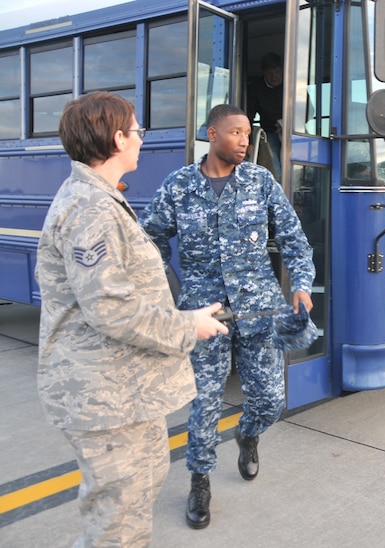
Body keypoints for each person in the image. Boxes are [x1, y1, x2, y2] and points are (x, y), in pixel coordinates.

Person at [35, 91, 229, 547]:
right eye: (137, 130)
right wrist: (188, 326)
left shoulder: (100, 199)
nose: (142, 138)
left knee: (130, 503)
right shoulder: (91, 209)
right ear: (117, 137)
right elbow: (110, 307)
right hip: (105, 398)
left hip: (124, 393)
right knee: (117, 523)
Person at [140, 103, 315, 530]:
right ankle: (200, 481)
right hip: (204, 315)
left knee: (271, 399)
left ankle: (248, 435)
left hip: (259, 310)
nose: (244, 140)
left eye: (247, 134)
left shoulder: (260, 181)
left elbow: (293, 238)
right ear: (211, 133)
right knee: (204, 404)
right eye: (235, 132)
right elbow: (150, 240)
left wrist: (302, 284)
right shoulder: (179, 186)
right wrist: (169, 293)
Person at [246, 52, 284, 179]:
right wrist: (249, 142)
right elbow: (248, 117)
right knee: (275, 164)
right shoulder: (255, 89)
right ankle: (280, 187)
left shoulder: (293, 84)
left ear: (283, 70)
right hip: (269, 132)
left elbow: (309, 110)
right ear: (264, 74)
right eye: (269, 73)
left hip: (292, 131)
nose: (274, 77)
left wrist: (289, 125)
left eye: (277, 72)